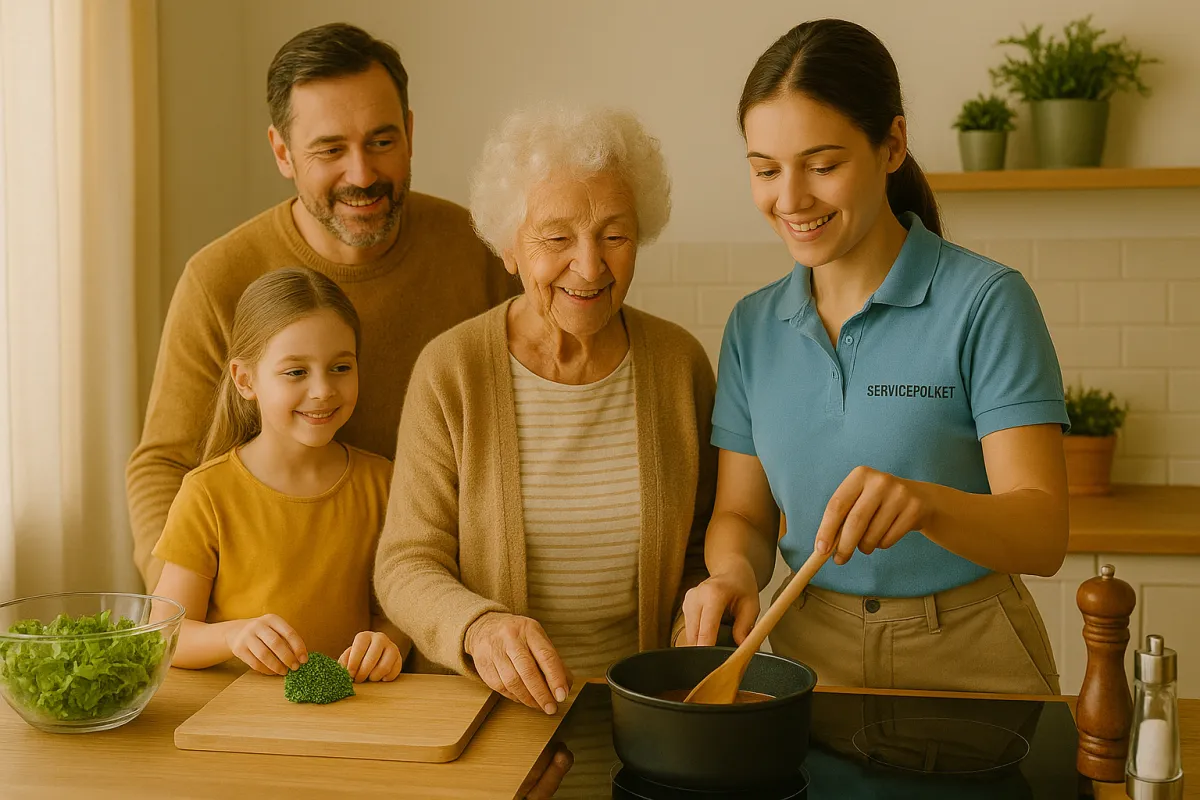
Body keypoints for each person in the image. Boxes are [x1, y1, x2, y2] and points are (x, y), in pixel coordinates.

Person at [682, 19, 1069, 695]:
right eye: (766, 170)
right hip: (804, 666)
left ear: (892, 145)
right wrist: (732, 573)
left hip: (972, 658)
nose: (791, 198)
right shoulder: (752, 326)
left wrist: (927, 504)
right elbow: (743, 516)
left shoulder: (986, 302)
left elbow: (1042, 532)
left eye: (823, 165)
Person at [126, 22, 516, 591]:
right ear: (282, 152)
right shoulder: (218, 279)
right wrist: (185, 608)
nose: (362, 175)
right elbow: (163, 465)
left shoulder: (478, 249)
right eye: (330, 149)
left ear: (409, 133)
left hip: (446, 601)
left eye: (381, 142)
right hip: (270, 622)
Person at [373, 107, 717, 715]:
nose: (589, 266)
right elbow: (406, 562)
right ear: (508, 248)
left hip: (643, 718)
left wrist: (693, 623)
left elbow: (700, 549)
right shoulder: (451, 370)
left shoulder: (678, 366)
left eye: (614, 235)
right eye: (556, 238)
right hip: (485, 719)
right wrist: (477, 627)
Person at [152, 267, 404, 681]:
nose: (323, 389)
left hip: (352, 716)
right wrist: (233, 636)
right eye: (296, 372)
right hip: (236, 719)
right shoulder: (207, 494)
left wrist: (390, 643)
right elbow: (165, 635)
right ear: (245, 379)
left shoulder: (385, 483)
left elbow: (396, 610)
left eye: (341, 367)